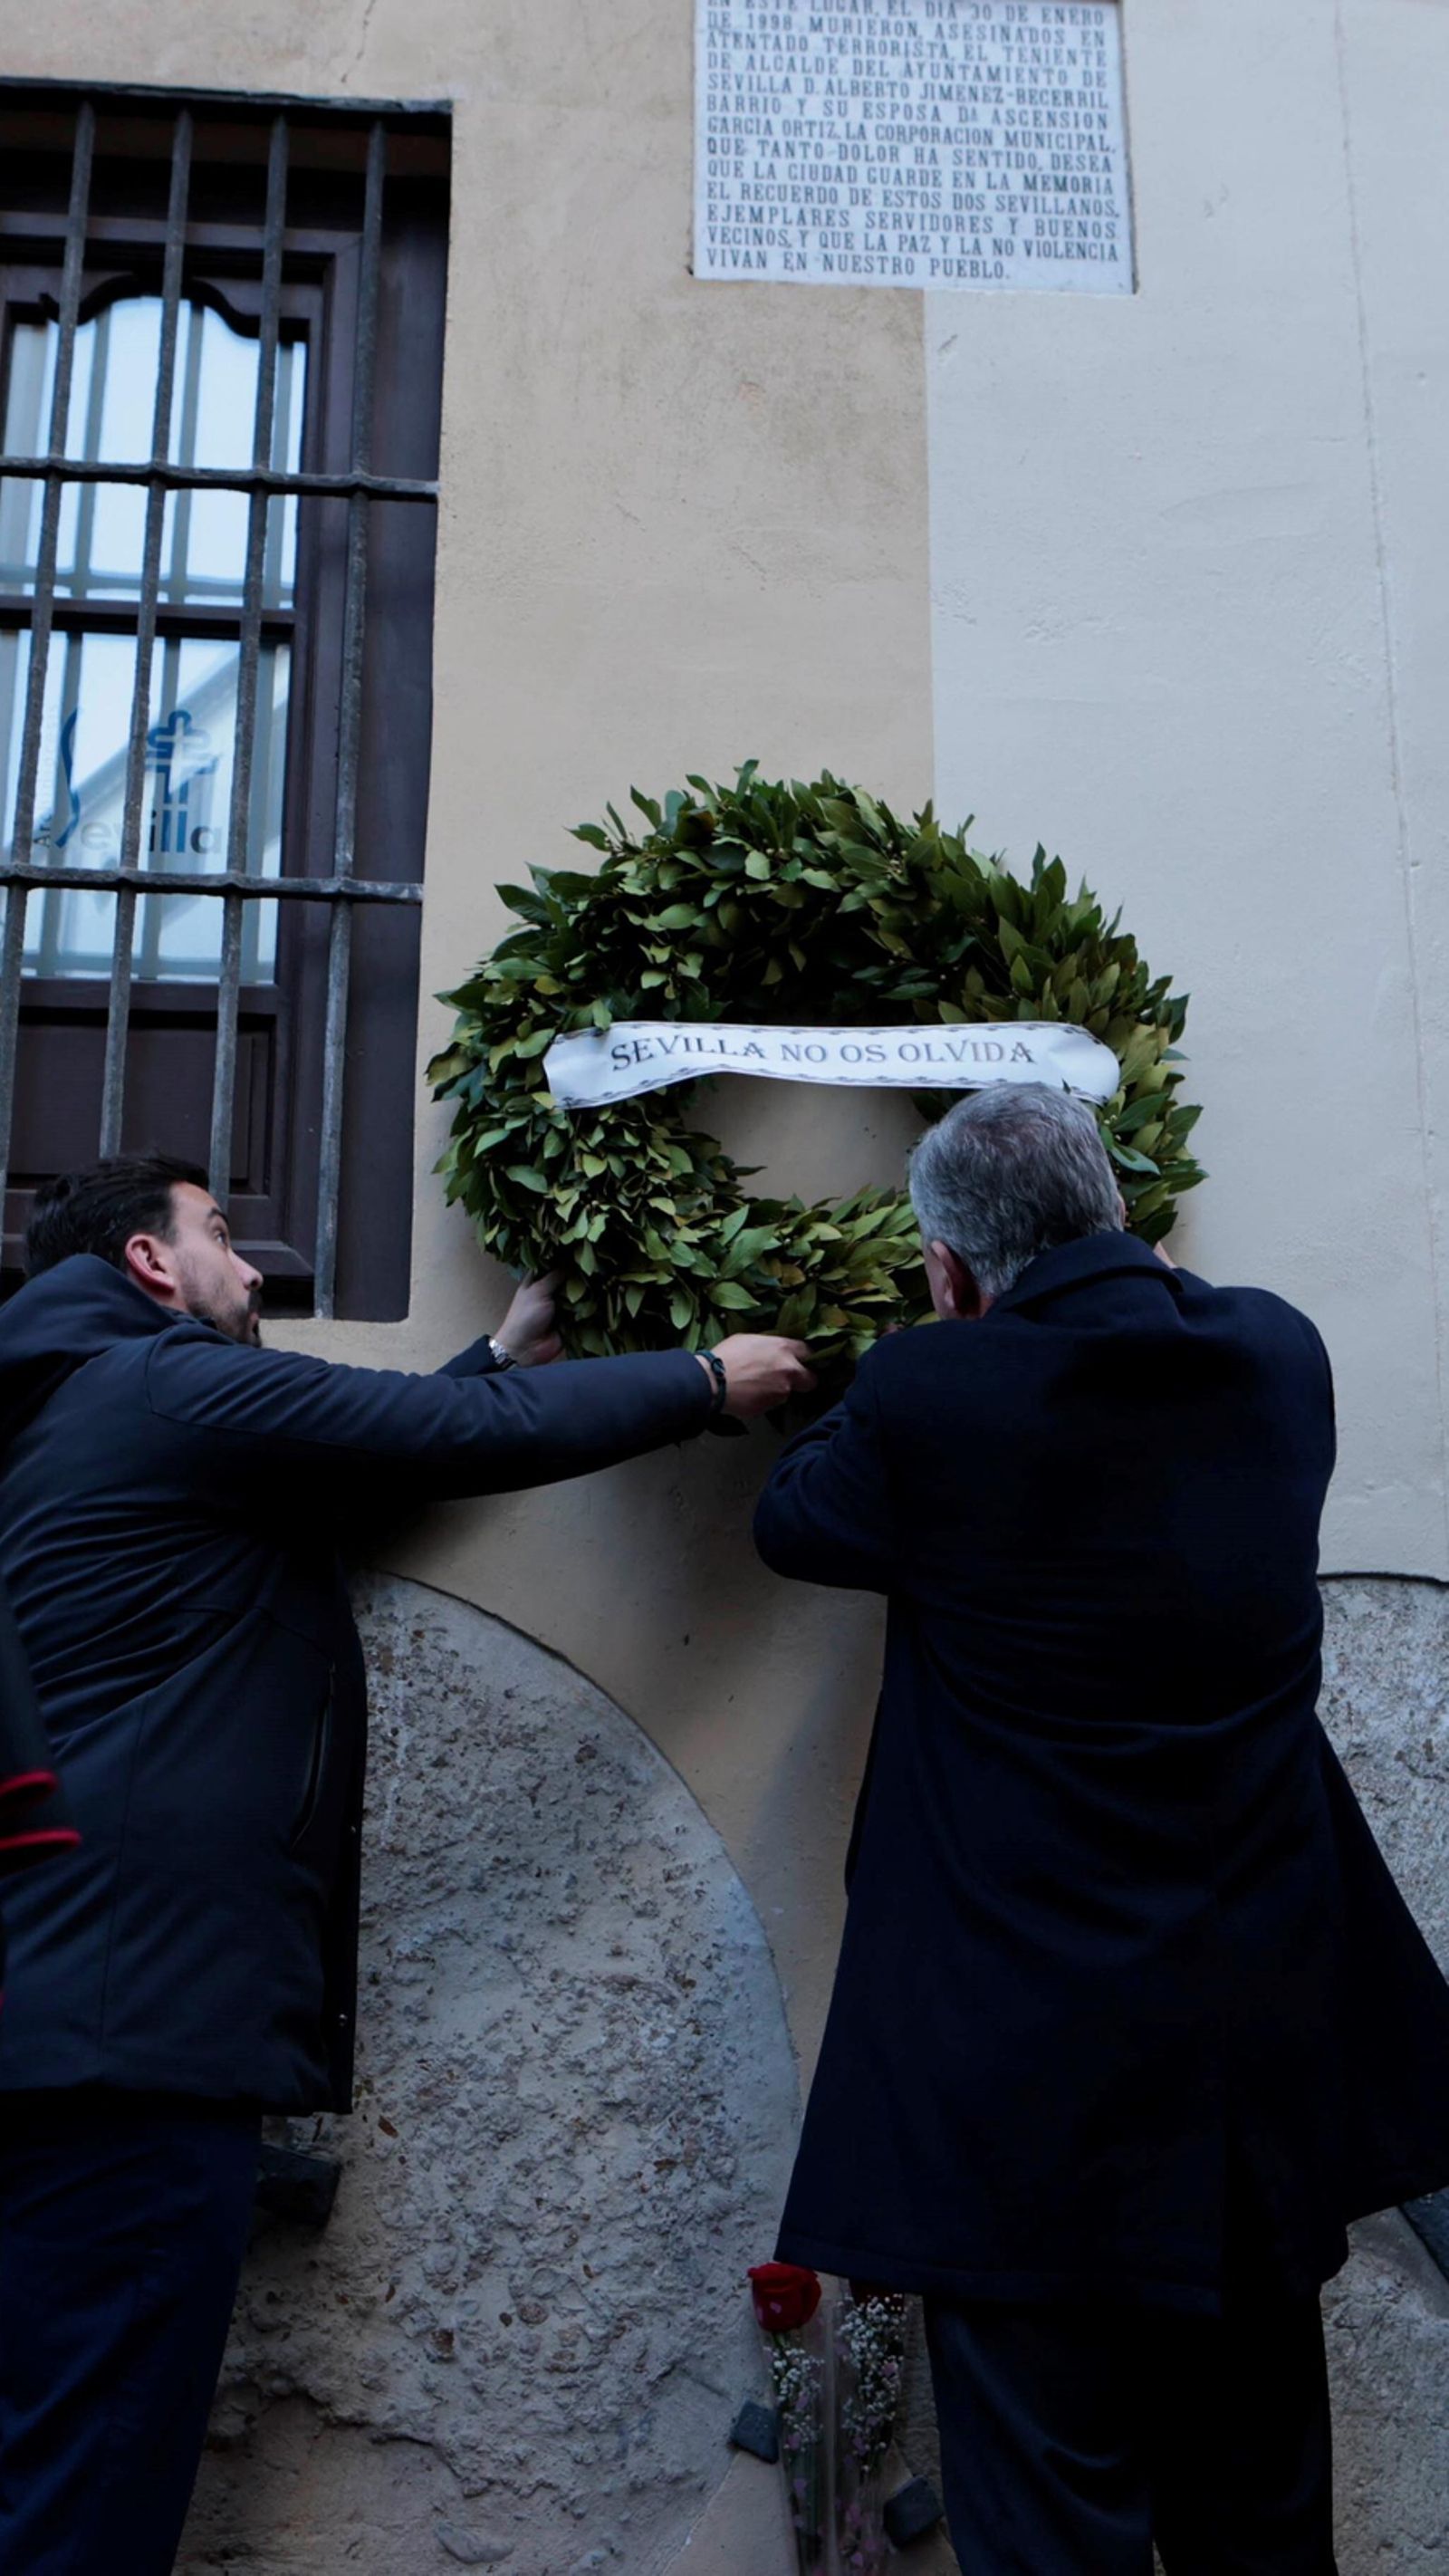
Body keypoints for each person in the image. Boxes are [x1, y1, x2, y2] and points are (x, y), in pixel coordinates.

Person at [0, 1153, 812, 2576]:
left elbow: (366, 1462)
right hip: (135, 2053)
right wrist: (701, 1379)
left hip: (77, 2031)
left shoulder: (83, 1411)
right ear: (148, 1263)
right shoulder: (165, 1384)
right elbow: (429, 1438)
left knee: (53, 2459)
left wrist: (495, 1356)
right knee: (90, 2491)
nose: (254, 1265)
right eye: (220, 1234)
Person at [753, 1083, 1449, 2576]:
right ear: (1123, 1209)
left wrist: (932, 1344)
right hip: (1251, 2076)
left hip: (1022, 2092)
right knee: (1263, 2523)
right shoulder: (1278, 1354)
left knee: (1050, 2524)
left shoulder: (931, 1393)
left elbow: (797, 1519)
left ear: (948, 1269)